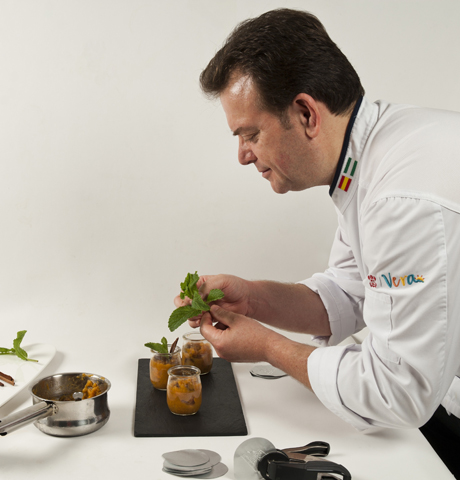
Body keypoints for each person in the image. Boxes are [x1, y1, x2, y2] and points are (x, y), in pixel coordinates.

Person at [174, 8, 460, 476]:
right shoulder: (370, 158)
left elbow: (398, 391)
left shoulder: (402, 196)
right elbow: (351, 291)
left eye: (251, 134)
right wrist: (254, 298)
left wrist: (269, 347)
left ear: (306, 112)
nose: (243, 155)